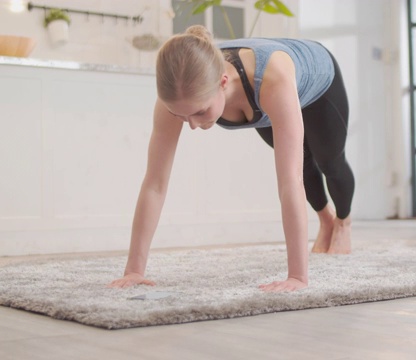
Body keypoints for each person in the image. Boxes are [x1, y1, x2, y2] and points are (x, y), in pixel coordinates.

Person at [108, 25, 355, 293]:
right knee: (305, 161)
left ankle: (343, 221)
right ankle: (325, 219)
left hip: (318, 80)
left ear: (223, 82)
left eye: (200, 112)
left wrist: (297, 277)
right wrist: (134, 270)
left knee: (329, 161)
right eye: (181, 115)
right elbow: (155, 183)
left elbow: (289, 183)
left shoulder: (272, 80)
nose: (191, 125)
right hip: (261, 97)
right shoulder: (177, 96)